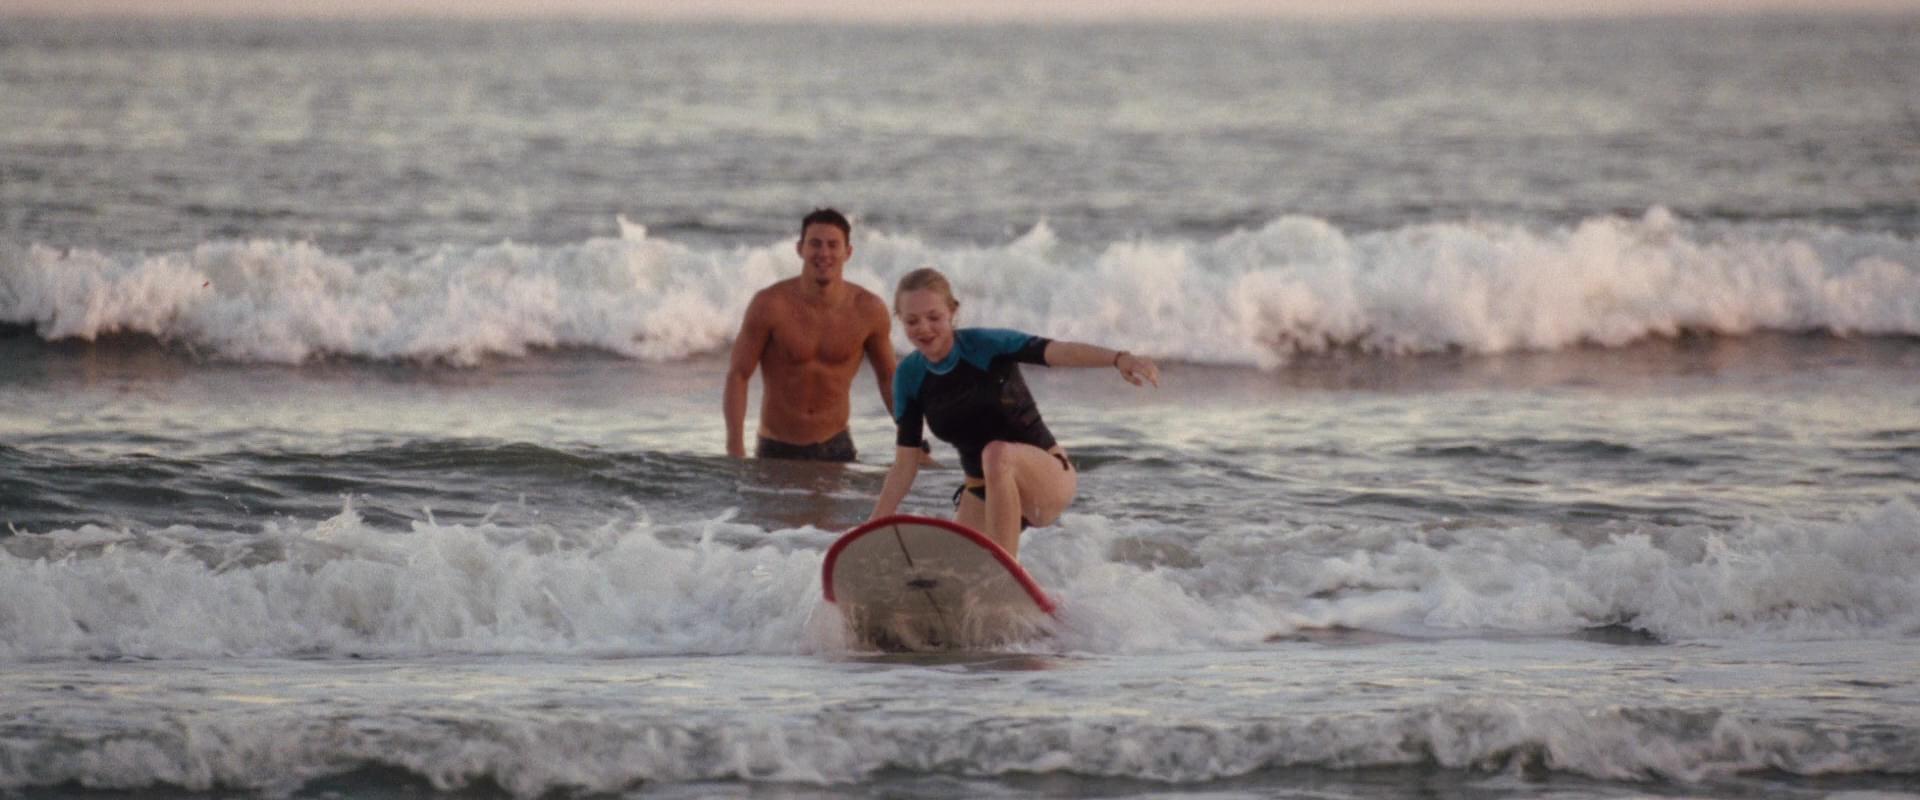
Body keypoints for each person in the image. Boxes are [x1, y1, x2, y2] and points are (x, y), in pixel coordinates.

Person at [868, 267, 1160, 559]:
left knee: (997, 454)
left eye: (934, 317)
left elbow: (1061, 352)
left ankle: (1004, 568)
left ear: (952, 312)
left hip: (1046, 478)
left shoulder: (986, 346)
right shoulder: (908, 376)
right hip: (982, 491)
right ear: (899, 320)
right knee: (950, 571)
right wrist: (871, 529)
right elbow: (905, 465)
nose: (924, 328)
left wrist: (1118, 359)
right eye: (912, 321)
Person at [724, 208, 897, 462]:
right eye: (815, 244)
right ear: (800, 249)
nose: (824, 253)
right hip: (776, 448)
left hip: (836, 447)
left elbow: (889, 379)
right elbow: (738, 375)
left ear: (848, 252)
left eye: (833, 245)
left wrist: (914, 442)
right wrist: (735, 448)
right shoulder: (770, 304)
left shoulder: (868, 309)